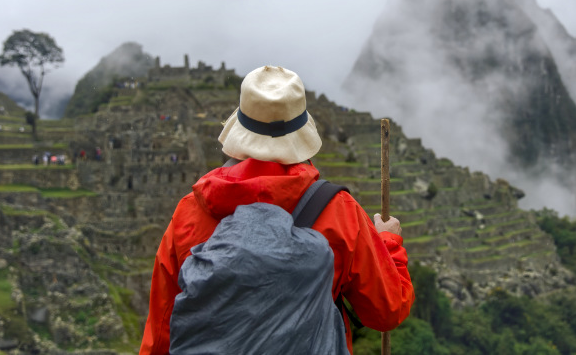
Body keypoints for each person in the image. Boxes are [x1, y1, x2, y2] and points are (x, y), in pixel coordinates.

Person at [139, 66, 414, 354]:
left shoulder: (191, 212)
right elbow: (386, 310)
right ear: (300, 135)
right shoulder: (339, 211)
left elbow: (162, 328)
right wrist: (388, 243)